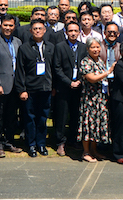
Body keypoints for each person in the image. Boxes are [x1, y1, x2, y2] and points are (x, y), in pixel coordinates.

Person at [16, 20, 55, 158]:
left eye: (40, 28)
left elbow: (54, 68)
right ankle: (31, 144)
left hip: (46, 88)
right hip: (30, 89)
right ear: (31, 31)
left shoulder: (50, 47)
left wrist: (53, 87)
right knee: (30, 118)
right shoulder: (24, 48)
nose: (38, 31)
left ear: (45, 31)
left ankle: (41, 144)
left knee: (43, 118)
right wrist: (22, 89)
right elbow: (20, 70)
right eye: (35, 29)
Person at [0, 15, 22, 157]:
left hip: (15, 86)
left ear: (14, 27)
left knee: (11, 116)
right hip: (1, 86)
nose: (8, 28)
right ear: (1, 26)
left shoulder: (18, 42)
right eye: (5, 25)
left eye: (11, 26)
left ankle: (9, 141)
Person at [52, 21, 86, 156]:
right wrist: (68, 82)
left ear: (79, 32)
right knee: (62, 116)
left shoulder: (83, 47)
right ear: (66, 32)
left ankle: (73, 140)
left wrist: (79, 80)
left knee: (76, 115)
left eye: (75, 31)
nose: (73, 33)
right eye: (70, 31)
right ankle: (60, 142)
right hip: (64, 87)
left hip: (79, 86)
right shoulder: (60, 47)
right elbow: (57, 67)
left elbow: (85, 65)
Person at [79, 37, 112, 162]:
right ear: (87, 49)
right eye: (93, 47)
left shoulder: (100, 61)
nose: (96, 49)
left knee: (96, 125)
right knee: (88, 125)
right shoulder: (85, 62)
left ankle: (94, 150)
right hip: (89, 99)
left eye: (98, 47)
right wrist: (108, 72)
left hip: (100, 98)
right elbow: (92, 78)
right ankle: (86, 152)